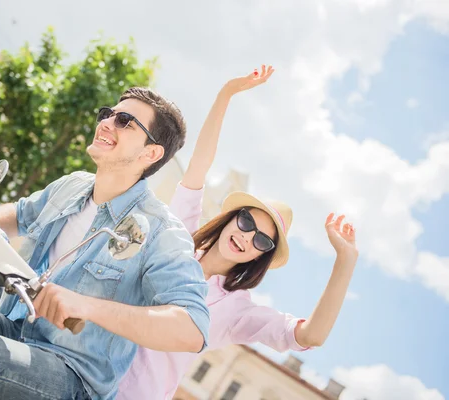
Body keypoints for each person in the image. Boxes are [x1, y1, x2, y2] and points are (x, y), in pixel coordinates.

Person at [0, 87, 210, 400]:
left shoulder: (161, 231)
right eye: (107, 114)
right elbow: (20, 213)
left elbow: (192, 329)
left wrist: (88, 307)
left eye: (124, 121)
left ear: (151, 153)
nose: (106, 122)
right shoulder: (73, 185)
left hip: (72, 376)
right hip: (16, 330)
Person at [115, 65, 360, 399]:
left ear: (262, 255)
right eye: (246, 222)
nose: (247, 236)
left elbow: (310, 336)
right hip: (83, 364)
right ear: (231, 218)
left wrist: (345, 261)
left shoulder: (238, 311)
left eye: (261, 239)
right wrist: (226, 94)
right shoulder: (181, 236)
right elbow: (199, 165)